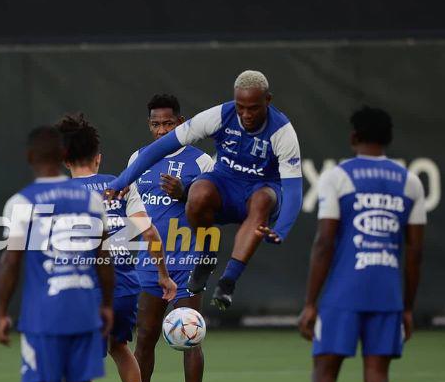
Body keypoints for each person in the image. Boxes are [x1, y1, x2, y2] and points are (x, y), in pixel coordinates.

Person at [281, 106, 426, 382]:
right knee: (377, 380)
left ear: (352, 137)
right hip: (387, 294)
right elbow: (414, 253)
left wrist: (311, 303)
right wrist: (408, 307)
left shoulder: (338, 177)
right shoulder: (410, 182)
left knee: (324, 376)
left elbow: (325, 241)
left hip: (343, 294)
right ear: (388, 138)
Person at [105, 71, 303, 311]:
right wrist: (122, 180)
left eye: (254, 108)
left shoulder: (282, 132)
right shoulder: (220, 115)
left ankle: (228, 281)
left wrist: (282, 228)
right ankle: (206, 256)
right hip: (226, 186)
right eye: (241, 107)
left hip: (261, 189)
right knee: (198, 192)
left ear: (267, 101)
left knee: (262, 200)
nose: (246, 115)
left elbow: (293, 188)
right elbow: (161, 148)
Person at [0, 126, 115, 382]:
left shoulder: (21, 201)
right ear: (62, 154)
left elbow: (11, 259)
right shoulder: (89, 199)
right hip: (84, 311)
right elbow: (104, 258)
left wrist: (1, 312)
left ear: (31, 158)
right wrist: (107, 305)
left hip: (43, 317)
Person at [56, 113, 176, 382]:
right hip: (125, 285)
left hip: (84, 288)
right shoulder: (120, 184)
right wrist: (164, 275)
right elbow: (150, 232)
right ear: (98, 157)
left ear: (64, 159)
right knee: (121, 347)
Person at [122, 94, 214, 382]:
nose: (162, 130)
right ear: (149, 125)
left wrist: (185, 193)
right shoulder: (138, 158)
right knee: (144, 337)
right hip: (149, 263)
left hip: (187, 261)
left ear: (182, 122)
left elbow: (216, 209)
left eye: (169, 123)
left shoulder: (202, 161)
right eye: (156, 124)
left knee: (190, 336)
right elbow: (127, 205)